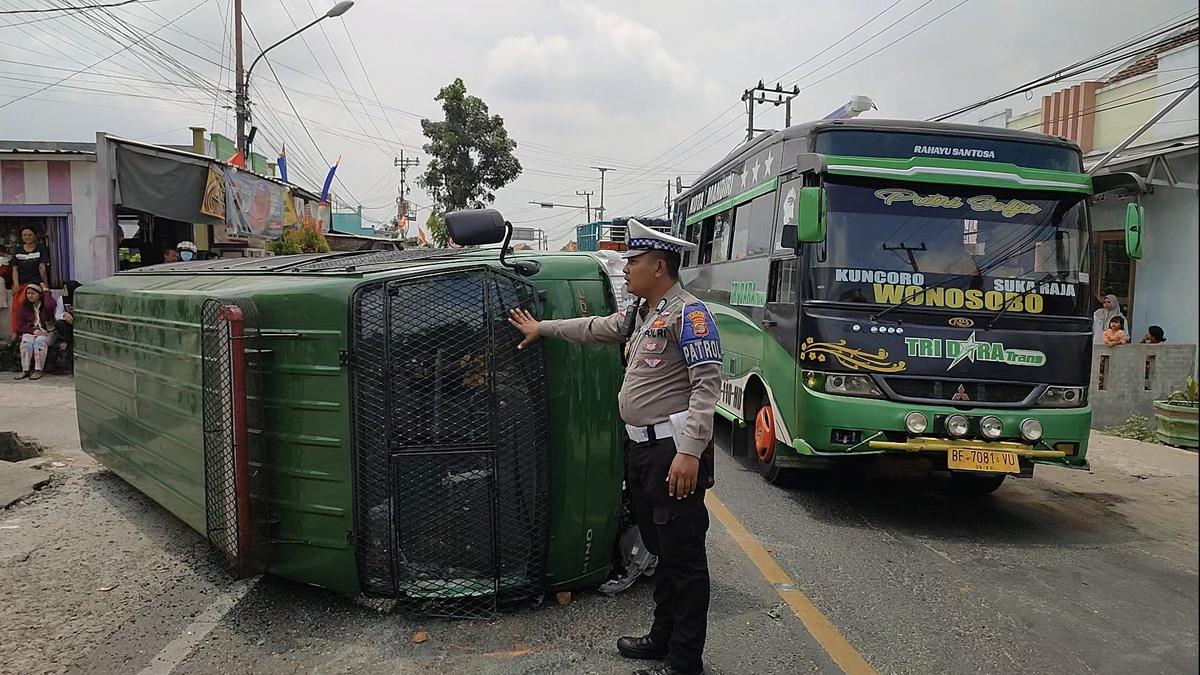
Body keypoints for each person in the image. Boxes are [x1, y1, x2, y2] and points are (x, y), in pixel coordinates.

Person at [508, 219, 719, 675]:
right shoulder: (642, 314)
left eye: (634, 262)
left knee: (684, 560)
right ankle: (662, 639)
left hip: (672, 454)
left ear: (659, 266)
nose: (625, 270)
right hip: (643, 453)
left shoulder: (691, 315)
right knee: (662, 551)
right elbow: (592, 327)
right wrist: (542, 327)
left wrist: (689, 451)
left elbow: (706, 387)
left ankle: (685, 662)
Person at [9, 226, 50, 334]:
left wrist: (45, 285)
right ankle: (16, 333)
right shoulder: (17, 250)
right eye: (24, 235)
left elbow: (42, 267)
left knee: (36, 309)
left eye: (29, 234)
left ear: (35, 235)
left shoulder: (41, 248)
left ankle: (38, 330)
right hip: (22, 284)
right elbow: (14, 269)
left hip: (35, 284)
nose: (27, 237)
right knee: (17, 309)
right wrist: (16, 284)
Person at [14, 285, 57, 380]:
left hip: (47, 332)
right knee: (26, 342)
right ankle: (25, 370)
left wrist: (46, 292)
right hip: (32, 332)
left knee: (40, 342)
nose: (30, 296)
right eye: (28, 293)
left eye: (33, 293)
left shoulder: (46, 305)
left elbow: (51, 306)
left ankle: (38, 370)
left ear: (39, 294)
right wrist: (34, 331)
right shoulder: (24, 307)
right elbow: (19, 326)